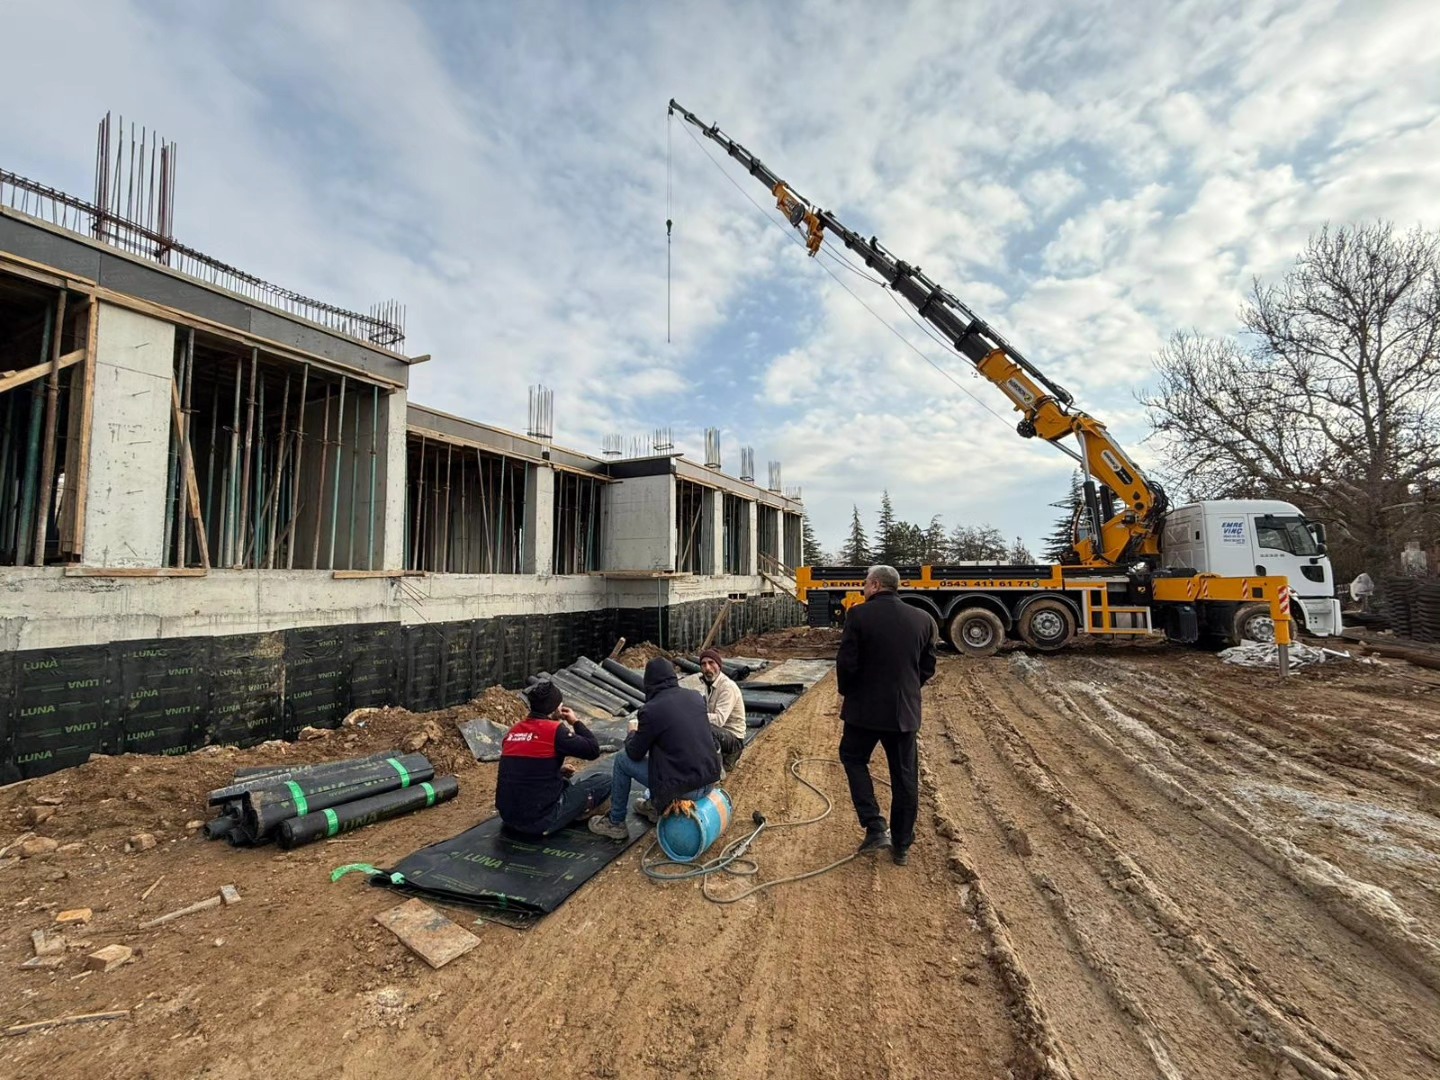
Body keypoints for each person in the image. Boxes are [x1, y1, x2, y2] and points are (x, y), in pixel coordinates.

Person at [835, 564, 936, 866]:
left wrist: (849, 691)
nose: (863, 588)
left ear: (876, 585)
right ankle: (902, 845)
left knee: (853, 758)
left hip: (864, 712)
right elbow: (928, 665)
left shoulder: (859, 615)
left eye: (865, 584)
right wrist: (907, 690)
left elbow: (847, 663)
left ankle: (875, 825)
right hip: (903, 713)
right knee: (905, 778)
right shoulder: (923, 620)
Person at [589, 656, 721, 840]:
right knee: (670, 749)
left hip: (686, 788)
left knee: (621, 760)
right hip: (709, 781)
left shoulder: (651, 710)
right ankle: (654, 804)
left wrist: (632, 733)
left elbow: (634, 753)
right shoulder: (695, 697)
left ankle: (616, 822)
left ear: (648, 683)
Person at [495, 680, 609, 836]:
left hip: (509, 818)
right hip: (540, 821)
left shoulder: (514, 731)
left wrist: (558, 770)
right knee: (605, 781)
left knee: (564, 782)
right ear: (555, 708)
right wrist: (575, 722)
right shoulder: (555, 731)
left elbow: (521, 767)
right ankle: (577, 813)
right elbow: (593, 750)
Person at [699, 647, 746, 773]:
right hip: (722, 734)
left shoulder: (727, 687)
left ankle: (719, 771)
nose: (707, 668)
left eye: (711, 663)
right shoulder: (709, 684)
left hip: (733, 740)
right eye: (703, 664)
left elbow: (719, 720)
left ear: (719, 665)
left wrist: (695, 716)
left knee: (704, 728)